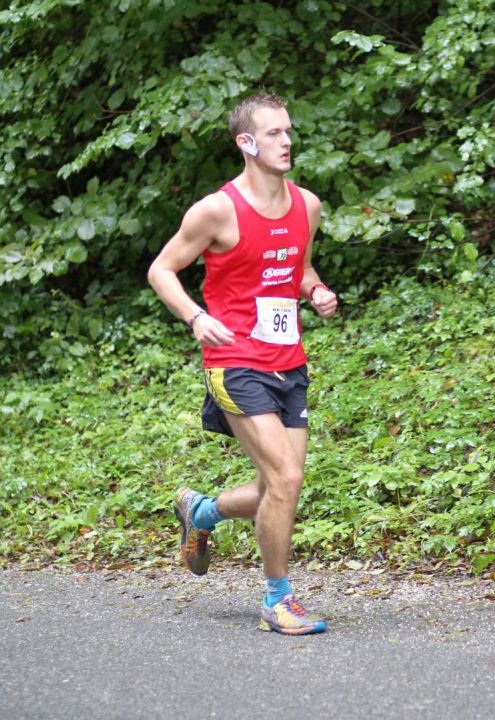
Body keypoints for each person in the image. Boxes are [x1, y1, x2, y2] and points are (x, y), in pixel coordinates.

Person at [147, 91, 338, 635]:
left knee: (281, 486)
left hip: (289, 362)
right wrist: (193, 316)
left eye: (288, 131)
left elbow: (297, 269)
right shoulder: (217, 210)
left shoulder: (308, 205)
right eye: (274, 133)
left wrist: (317, 289)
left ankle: (201, 512)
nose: (287, 141)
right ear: (246, 143)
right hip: (234, 362)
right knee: (287, 475)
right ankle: (277, 600)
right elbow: (162, 269)